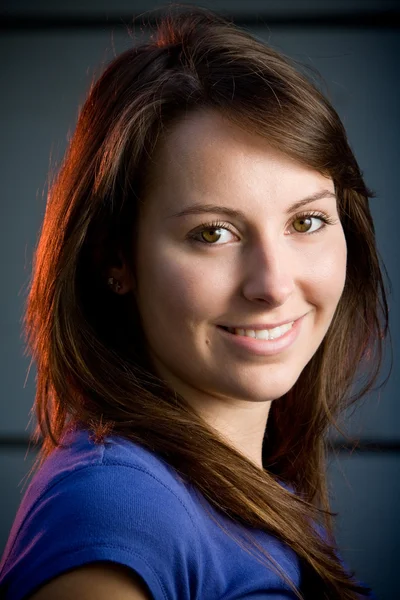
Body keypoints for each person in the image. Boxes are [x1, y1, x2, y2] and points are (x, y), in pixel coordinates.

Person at [0, 5, 388, 600]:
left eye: (307, 221)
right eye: (212, 233)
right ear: (116, 260)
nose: (274, 284)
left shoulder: (256, 491)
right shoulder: (113, 516)